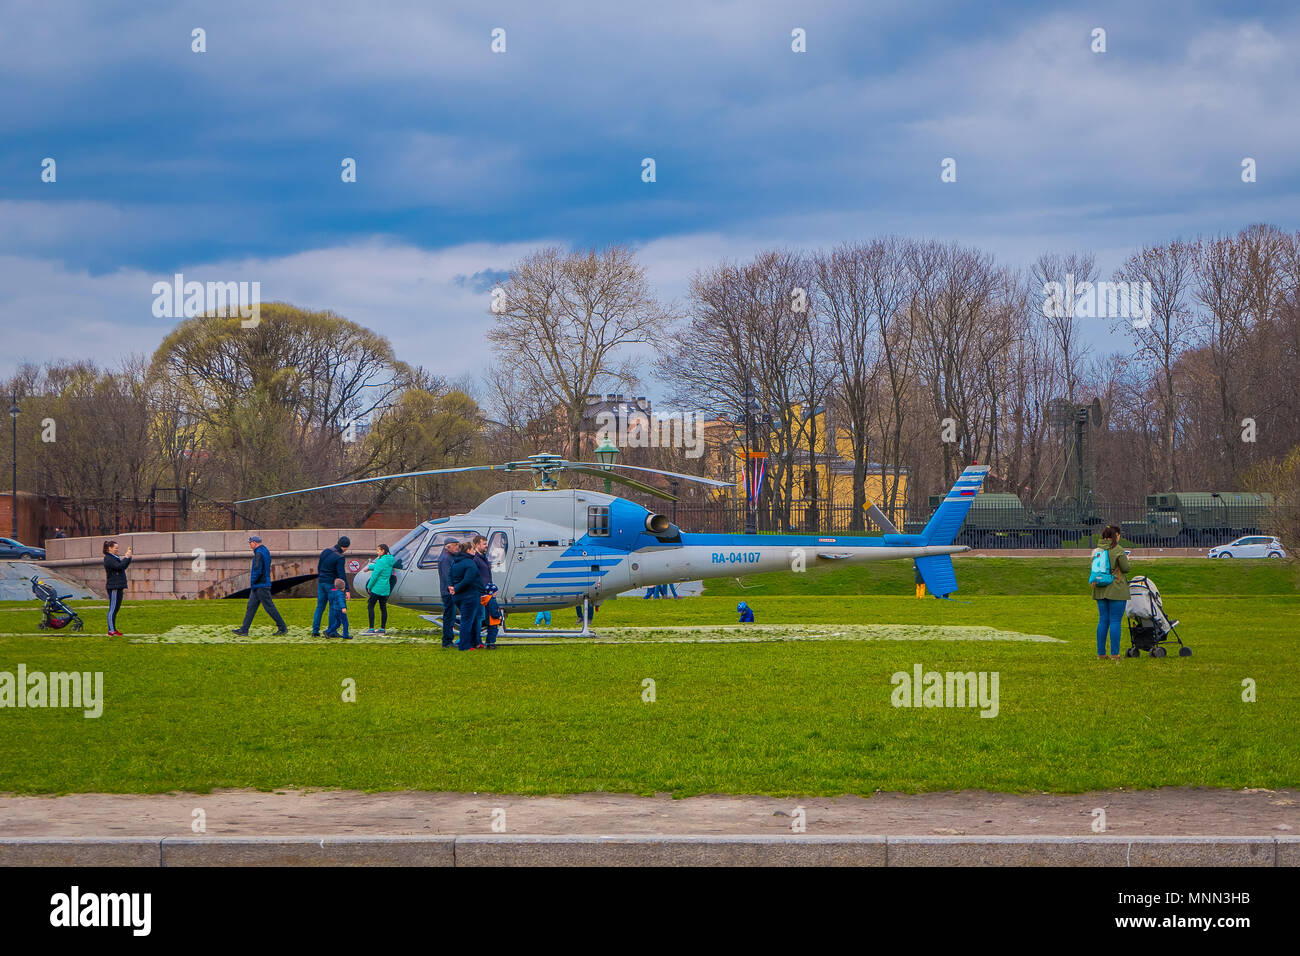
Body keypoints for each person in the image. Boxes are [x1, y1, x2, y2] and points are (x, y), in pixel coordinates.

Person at [232, 534, 288, 636]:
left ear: (255, 542)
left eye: (250, 543)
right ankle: (244, 629)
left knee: (269, 607)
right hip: (261, 584)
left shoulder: (258, 554)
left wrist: (253, 582)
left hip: (260, 585)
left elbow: (257, 570)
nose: (250, 545)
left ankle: (282, 627)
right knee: (251, 607)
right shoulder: (265, 551)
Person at [1091, 524, 1131, 661]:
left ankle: (1101, 653)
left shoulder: (1097, 550)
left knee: (1103, 620)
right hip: (1116, 588)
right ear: (1116, 536)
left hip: (1100, 587)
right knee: (1115, 621)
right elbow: (1126, 568)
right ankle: (1115, 654)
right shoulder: (1118, 550)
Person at [448, 541, 486, 650]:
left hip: (458, 597)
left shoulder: (455, 561)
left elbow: (449, 575)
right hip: (469, 596)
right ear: (468, 550)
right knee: (467, 621)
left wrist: (451, 587)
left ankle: (474, 642)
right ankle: (464, 645)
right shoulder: (470, 563)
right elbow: (468, 579)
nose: (474, 551)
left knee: (472, 620)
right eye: (473, 549)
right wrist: (456, 588)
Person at [311, 536, 350, 637]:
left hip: (321, 582)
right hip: (332, 585)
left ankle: (315, 631)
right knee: (333, 607)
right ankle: (331, 631)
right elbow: (341, 575)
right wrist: (346, 589)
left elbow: (319, 567)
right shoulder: (340, 557)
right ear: (345, 547)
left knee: (320, 607)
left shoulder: (326, 551)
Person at [363, 543, 396, 635]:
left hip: (377, 588)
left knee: (370, 606)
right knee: (383, 608)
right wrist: (369, 567)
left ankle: (371, 628)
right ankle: (382, 628)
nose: (377, 552)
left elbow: (375, 575)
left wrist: (369, 586)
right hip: (385, 588)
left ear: (383, 551)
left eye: (378, 550)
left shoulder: (381, 561)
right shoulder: (390, 560)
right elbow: (380, 567)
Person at [103, 539, 132, 636]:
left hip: (118, 585)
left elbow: (122, 567)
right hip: (113, 587)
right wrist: (126, 558)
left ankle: (113, 629)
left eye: (117, 548)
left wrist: (128, 558)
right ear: (109, 548)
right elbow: (119, 567)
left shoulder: (114, 557)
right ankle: (111, 630)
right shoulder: (108, 558)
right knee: (113, 608)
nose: (117, 549)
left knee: (116, 608)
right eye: (115, 548)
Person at [436, 539, 461, 647]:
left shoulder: (449, 557)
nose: (457, 547)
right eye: (455, 545)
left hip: (449, 591)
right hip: (448, 592)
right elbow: (448, 576)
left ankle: (448, 640)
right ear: (448, 547)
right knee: (449, 617)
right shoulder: (446, 559)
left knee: (450, 616)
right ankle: (447, 641)